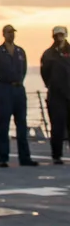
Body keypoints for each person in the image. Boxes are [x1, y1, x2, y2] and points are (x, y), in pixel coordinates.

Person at [0, 24, 38, 168]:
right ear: (3, 34)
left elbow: (24, 70)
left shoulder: (20, 51)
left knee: (22, 124)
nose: (11, 35)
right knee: (3, 125)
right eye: (9, 33)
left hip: (19, 90)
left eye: (13, 33)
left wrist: (18, 82)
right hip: (5, 90)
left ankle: (25, 157)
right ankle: (3, 158)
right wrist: (0, 86)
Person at [40, 26, 70, 165]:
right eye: (57, 35)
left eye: (61, 35)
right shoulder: (48, 54)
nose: (59, 38)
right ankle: (56, 155)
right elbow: (44, 73)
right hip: (56, 95)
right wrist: (52, 85)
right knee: (57, 126)